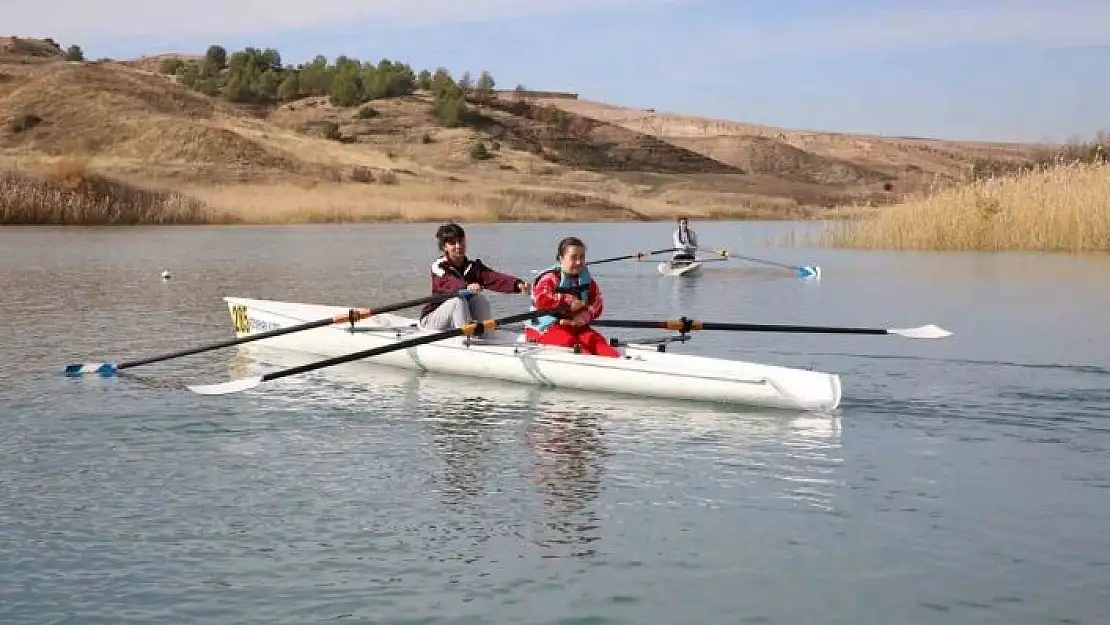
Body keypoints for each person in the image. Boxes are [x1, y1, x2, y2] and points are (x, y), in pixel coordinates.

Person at [418, 223, 530, 331]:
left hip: (459, 319)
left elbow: (494, 278)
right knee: (458, 301)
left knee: (479, 299)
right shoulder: (438, 267)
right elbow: (450, 282)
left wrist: (517, 285)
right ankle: (467, 340)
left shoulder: (473, 267)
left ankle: (487, 335)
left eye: (461, 241)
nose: (458, 246)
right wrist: (467, 286)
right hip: (432, 320)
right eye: (452, 243)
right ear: (444, 247)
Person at [524, 236, 621, 358]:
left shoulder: (587, 281)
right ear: (561, 258)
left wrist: (586, 315)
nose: (579, 262)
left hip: (575, 326)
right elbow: (542, 299)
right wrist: (569, 302)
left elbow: (597, 302)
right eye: (574, 257)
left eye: (582, 257)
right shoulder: (549, 278)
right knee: (570, 343)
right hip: (544, 328)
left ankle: (617, 361)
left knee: (597, 342)